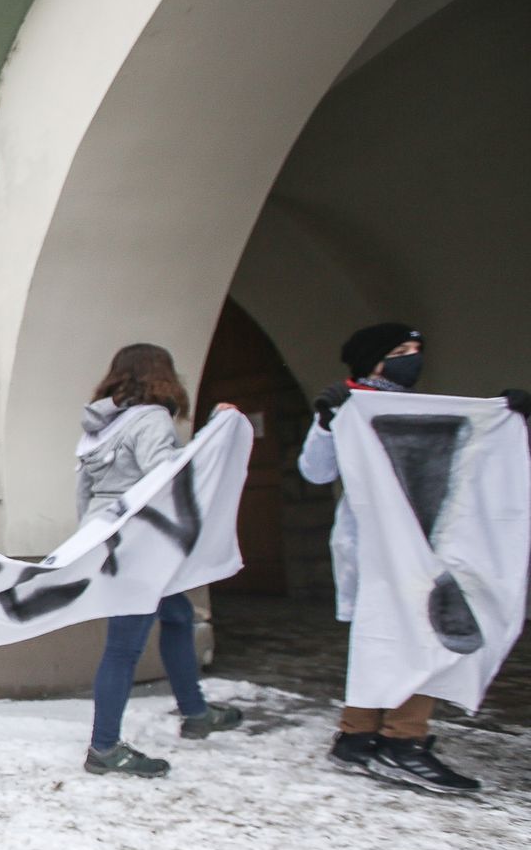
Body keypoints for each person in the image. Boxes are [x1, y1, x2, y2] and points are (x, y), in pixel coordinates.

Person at [299, 323, 530, 794]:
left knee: (391, 637)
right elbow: (315, 471)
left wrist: (507, 415)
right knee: (424, 635)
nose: (413, 357)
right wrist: (326, 423)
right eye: (401, 350)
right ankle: (403, 741)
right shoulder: (350, 405)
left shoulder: (415, 406)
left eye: (416, 349)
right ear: (373, 360)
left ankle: (358, 733)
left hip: (428, 540)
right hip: (378, 546)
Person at [75, 345, 244, 778]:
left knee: (178, 615)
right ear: (162, 376)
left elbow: (84, 493)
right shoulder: (152, 418)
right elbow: (165, 476)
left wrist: (90, 543)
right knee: (124, 645)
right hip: (142, 541)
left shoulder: (98, 426)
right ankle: (104, 748)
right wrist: (212, 434)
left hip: (109, 536)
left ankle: (196, 711)